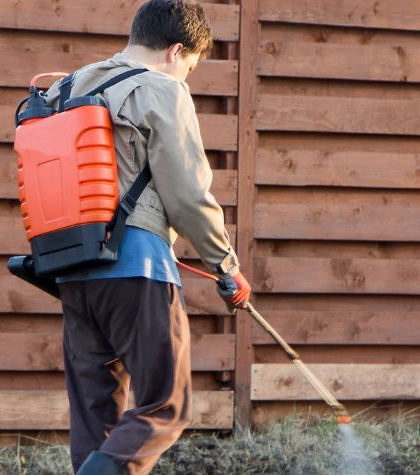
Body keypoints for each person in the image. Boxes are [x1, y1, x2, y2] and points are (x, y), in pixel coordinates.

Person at [42, 1, 252, 474]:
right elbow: (188, 196)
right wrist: (226, 266)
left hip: (71, 269)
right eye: (190, 67)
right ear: (176, 51)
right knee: (165, 404)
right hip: (137, 269)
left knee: (96, 419)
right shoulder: (162, 89)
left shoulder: (67, 86)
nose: (186, 78)